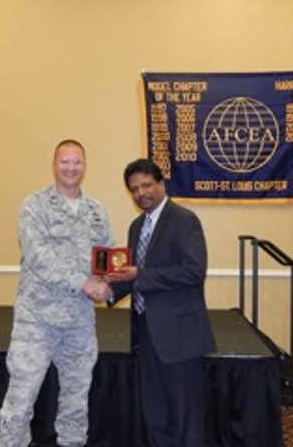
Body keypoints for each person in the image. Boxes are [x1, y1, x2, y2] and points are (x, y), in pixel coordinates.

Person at [0, 139, 114, 447]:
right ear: (54, 164)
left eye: (77, 162)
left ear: (85, 167)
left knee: (76, 405)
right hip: (36, 321)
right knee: (20, 402)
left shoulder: (97, 212)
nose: (71, 167)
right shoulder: (34, 206)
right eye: (65, 161)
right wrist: (85, 283)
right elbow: (39, 257)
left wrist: (105, 282)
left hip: (79, 323)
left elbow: (106, 257)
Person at [103, 158, 216, 447]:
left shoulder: (184, 220)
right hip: (146, 334)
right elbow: (133, 277)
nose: (141, 193)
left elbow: (193, 271)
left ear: (161, 184)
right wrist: (107, 291)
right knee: (155, 413)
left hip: (180, 336)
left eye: (146, 185)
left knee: (186, 416)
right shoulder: (136, 226)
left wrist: (140, 274)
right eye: (134, 189)